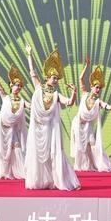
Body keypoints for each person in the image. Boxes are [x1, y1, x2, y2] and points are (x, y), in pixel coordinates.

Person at [24, 45, 80, 190]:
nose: (56, 80)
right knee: (37, 155)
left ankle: (59, 180)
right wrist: (29, 55)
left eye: (57, 79)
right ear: (47, 78)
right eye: (54, 78)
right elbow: (32, 73)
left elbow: (69, 102)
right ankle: (40, 181)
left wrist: (74, 92)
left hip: (51, 130)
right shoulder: (39, 88)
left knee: (53, 154)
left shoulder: (56, 95)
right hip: (38, 130)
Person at [70, 56, 111, 172]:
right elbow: (81, 78)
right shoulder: (85, 94)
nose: (98, 90)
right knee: (80, 147)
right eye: (97, 87)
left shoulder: (98, 102)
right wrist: (87, 66)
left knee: (93, 145)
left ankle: (107, 165)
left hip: (87, 127)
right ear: (92, 87)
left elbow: (109, 108)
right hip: (77, 124)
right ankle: (81, 166)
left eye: (100, 88)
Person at [0, 61, 28, 179]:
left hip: (13, 129)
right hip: (1, 128)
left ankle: (18, 172)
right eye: (16, 85)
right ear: (11, 86)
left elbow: (32, 106)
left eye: (20, 86)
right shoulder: (5, 97)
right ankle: (3, 172)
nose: (18, 87)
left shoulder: (22, 101)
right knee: (2, 151)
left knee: (16, 147)